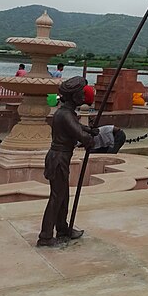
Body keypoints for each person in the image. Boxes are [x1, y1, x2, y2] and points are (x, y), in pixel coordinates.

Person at [38, 76, 96, 247]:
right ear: (74, 96)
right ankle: (45, 236)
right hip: (58, 158)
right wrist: (88, 138)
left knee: (63, 195)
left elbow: (78, 129)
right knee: (57, 196)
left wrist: (88, 130)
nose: (83, 97)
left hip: (61, 157)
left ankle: (63, 228)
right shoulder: (65, 114)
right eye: (80, 93)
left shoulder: (66, 113)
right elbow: (80, 135)